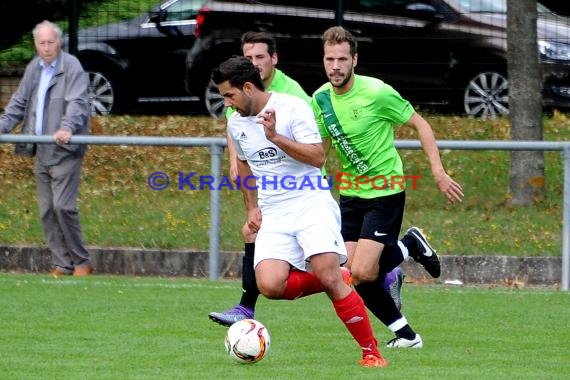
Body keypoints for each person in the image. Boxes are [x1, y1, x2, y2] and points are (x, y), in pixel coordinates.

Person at [207, 31, 407, 326]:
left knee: (346, 270)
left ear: (273, 59)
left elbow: (315, 151)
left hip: (308, 193)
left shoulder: (295, 97)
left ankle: (391, 267)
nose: (254, 62)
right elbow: (242, 140)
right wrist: (247, 190)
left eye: (259, 56)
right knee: (255, 237)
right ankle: (246, 308)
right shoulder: (237, 99)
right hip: (277, 200)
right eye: (248, 57)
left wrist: (277, 144)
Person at [311, 26, 464, 348]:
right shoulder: (320, 99)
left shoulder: (377, 92)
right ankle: (408, 336)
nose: (335, 66)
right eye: (329, 59)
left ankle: (408, 245)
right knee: (349, 275)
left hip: (385, 190)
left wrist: (438, 171)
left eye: (342, 59)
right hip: (350, 193)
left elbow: (420, 124)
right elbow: (321, 150)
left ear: (354, 59)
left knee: (364, 271)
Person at [0, 20, 92, 277]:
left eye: (51, 42)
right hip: (41, 149)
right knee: (47, 210)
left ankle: (81, 262)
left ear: (59, 42)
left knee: (64, 206)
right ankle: (62, 263)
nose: (47, 47)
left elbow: (77, 103)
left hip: (65, 150)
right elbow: (19, 102)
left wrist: (67, 128)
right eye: (42, 43)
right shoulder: (34, 68)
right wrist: (3, 126)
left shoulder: (71, 66)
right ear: (36, 44)